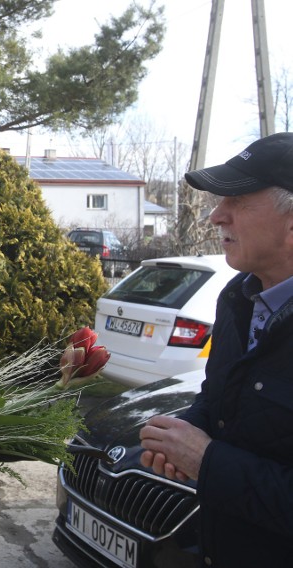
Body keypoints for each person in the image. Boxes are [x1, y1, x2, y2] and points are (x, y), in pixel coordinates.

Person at [139, 132, 293, 567]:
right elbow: (221, 398)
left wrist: (206, 460)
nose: (215, 216)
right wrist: (182, 432)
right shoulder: (237, 298)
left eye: (238, 201)